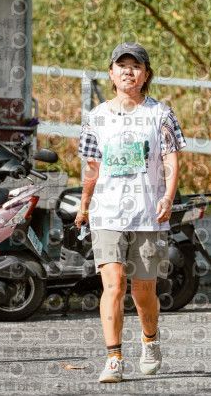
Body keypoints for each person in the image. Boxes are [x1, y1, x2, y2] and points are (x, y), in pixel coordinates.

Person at [76, 42, 186, 383]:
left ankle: (150, 340)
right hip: (107, 213)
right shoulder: (96, 117)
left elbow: (171, 158)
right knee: (113, 285)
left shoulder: (161, 114)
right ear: (111, 74)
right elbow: (92, 166)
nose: (128, 71)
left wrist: (168, 196)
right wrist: (84, 205)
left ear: (146, 74)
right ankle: (113, 359)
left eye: (135, 66)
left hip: (148, 214)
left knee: (143, 291)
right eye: (121, 66)